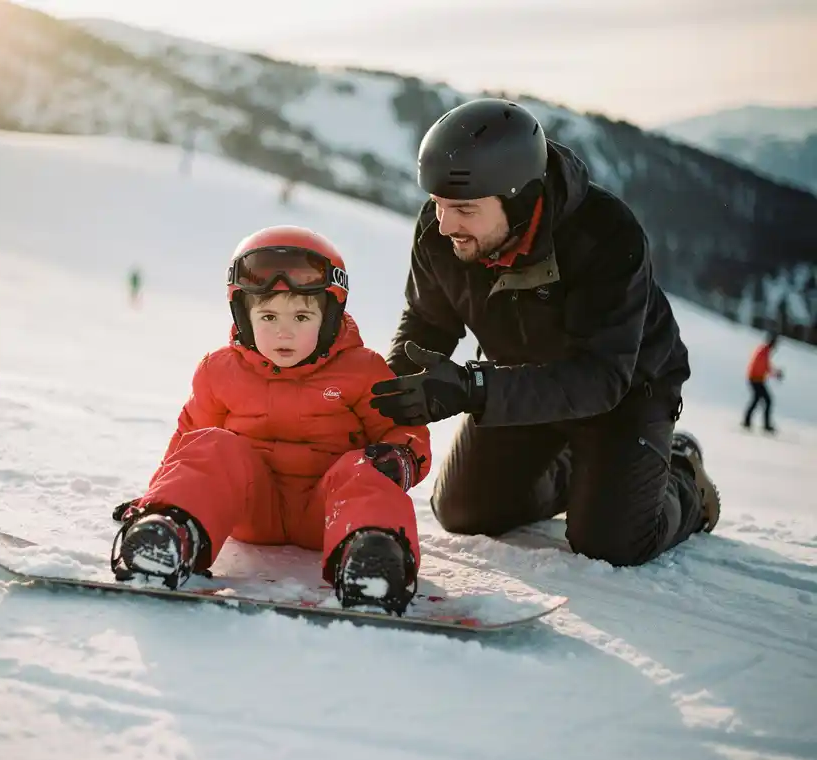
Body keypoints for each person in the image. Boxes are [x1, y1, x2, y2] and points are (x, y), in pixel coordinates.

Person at [370, 98, 720, 568]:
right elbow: (428, 322)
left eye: (464, 209)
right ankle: (589, 475)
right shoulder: (440, 232)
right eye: (437, 204)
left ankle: (680, 474)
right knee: (463, 512)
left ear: (519, 199)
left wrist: (474, 389)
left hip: (626, 394)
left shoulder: (606, 235)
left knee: (610, 543)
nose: (444, 224)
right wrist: (382, 400)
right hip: (521, 382)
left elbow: (601, 378)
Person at [110, 226, 432, 614]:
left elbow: (402, 428)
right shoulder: (219, 371)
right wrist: (157, 499)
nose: (284, 331)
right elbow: (188, 444)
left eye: (301, 316)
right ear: (244, 316)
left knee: (364, 467)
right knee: (214, 443)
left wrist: (401, 458)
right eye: (268, 316)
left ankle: (371, 557)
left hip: (331, 515)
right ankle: (170, 536)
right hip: (250, 511)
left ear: (329, 318)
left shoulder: (364, 371)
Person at [743, 333, 783, 433]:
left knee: (758, 399)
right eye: (775, 344)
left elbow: (765, 367)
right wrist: (775, 373)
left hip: (756, 379)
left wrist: (775, 373)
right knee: (767, 400)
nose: (775, 347)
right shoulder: (764, 351)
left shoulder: (764, 351)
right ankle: (764, 425)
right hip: (755, 379)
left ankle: (747, 422)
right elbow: (763, 367)